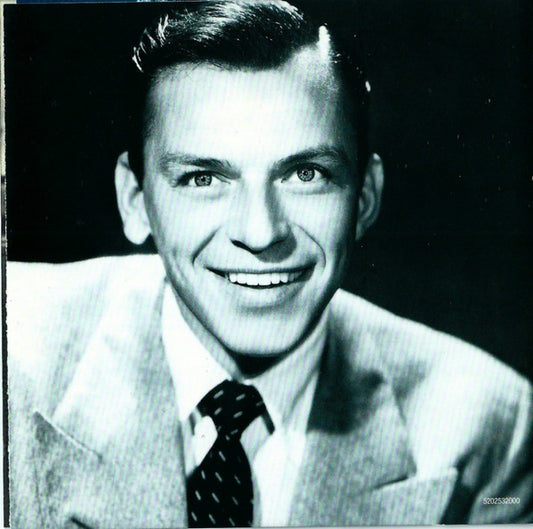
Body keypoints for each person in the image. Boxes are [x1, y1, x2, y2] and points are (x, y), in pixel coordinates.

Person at [7, 1, 532, 527]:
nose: (260, 234)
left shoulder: (487, 428)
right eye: (203, 179)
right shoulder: (15, 357)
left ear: (365, 197)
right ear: (135, 201)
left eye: (305, 174)